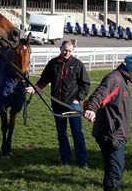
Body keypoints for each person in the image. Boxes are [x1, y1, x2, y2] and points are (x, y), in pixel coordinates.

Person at [83, 53, 132, 191]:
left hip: (116, 133)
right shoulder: (115, 79)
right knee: (114, 172)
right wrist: (91, 108)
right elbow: (100, 94)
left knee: (116, 169)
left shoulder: (124, 80)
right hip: (111, 134)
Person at [26, 39, 90, 167]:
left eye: (69, 51)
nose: (67, 53)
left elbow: (85, 84)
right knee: (62, 134)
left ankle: (82, 161)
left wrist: (78, 98)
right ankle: (65, 159)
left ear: (73, 51)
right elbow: (44, 80)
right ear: (60, 48)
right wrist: (35, 89)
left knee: (77, 133)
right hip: (57, 104)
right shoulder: (53, 64)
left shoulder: (77, 65)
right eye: (65, 50)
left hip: (72, 105)